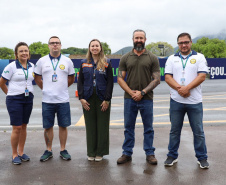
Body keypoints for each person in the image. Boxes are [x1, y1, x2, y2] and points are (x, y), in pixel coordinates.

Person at [164, 32, 209, 169]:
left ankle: (202, 158)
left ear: (190, 43)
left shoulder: (199, 57)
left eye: (186, 42)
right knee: (174, 131)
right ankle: (172, 156)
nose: (183, 45)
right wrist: (180, 89)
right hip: (176, 101)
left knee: (198, 131)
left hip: (194, 102)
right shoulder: (172, 58)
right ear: (178, 44)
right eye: (181, 43)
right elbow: (167, 77)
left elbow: (202, 76)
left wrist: (187, 88)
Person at [117, 29, 160, 165]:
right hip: (129, 99)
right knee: (128, 127)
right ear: (133, 39)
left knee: (148, 128)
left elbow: (157, 79)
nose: (139, 40)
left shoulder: (152, 57)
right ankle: (127, 153)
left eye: (141, 38)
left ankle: (150, 153)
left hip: (146, 99)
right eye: (136, 38)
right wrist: (131, 93)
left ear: (145, 40)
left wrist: (142, 93)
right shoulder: (125, 58)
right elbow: (120, 78)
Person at [34, 36, 75, 162]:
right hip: (47, 100)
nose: (55, 45)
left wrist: (61, 88)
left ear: (61, 45)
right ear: (48, 46)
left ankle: (63, 150)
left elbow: (71, 79)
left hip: (63, 100)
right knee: (48, 127)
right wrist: (45, 88)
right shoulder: (42, 61)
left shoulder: (67, 61)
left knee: (63, 126)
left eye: (57, 43)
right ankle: (49, 150)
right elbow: (37, 78)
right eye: (52, 43)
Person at [77, 39, 114, 162]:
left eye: (97, 46)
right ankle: (91, 152)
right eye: (92, 46)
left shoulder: (107, 62)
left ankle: (100, 152)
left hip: (102, 97)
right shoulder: (83, 63)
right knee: (90, 126)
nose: (94, 48)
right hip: (88, 97)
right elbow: (80, 81)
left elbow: (110, 82)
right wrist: (81, 98)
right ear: (89, 48)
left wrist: (107, 100)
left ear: (100, 48)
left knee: (102, 126)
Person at [0, 42, 34, 165]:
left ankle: (21, 152)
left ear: (29, 53)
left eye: (26, 51)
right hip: (14, 99)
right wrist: (10, 94)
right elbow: (1, 83)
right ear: (16, 54)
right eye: (21, 51)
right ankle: (14, 154)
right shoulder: (11, 66)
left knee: (24, 126)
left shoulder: (32, 66)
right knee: (17, 127)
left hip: (28, 98)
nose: (24, 53)